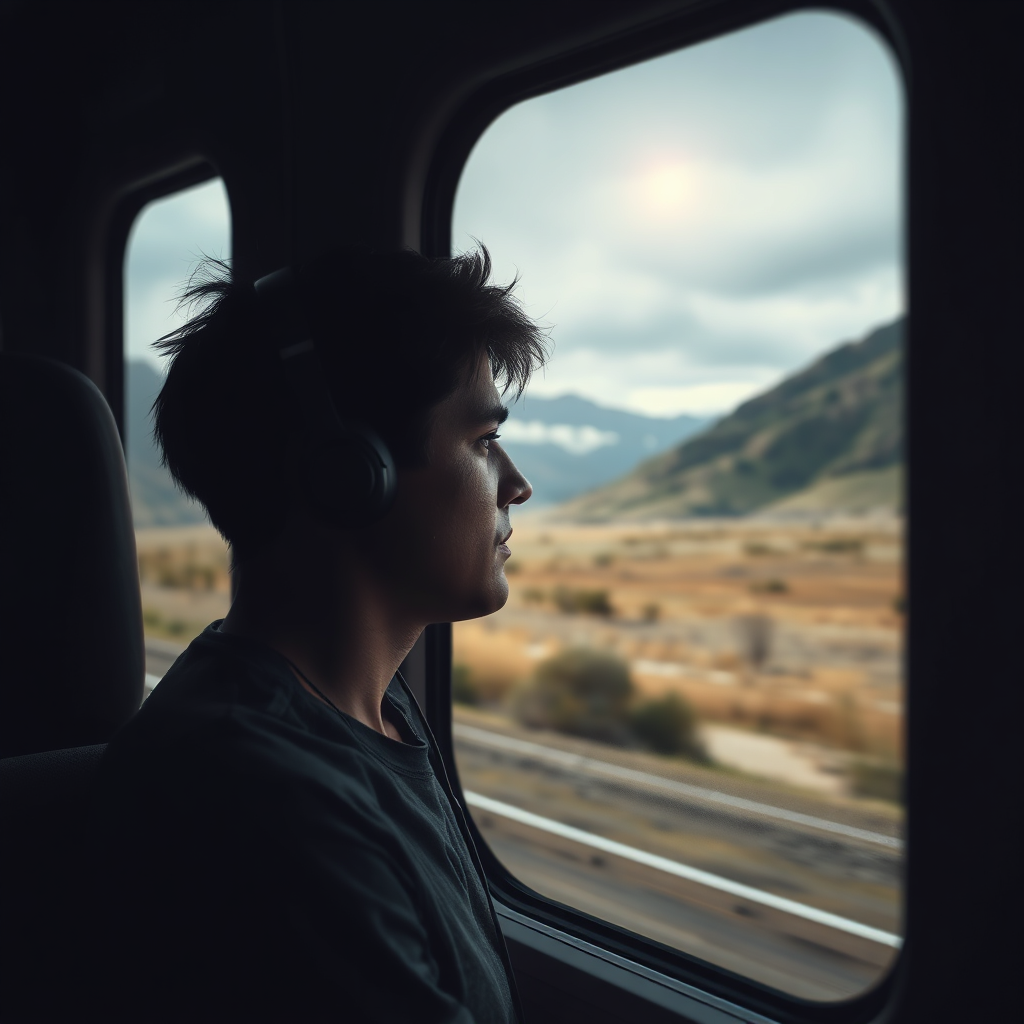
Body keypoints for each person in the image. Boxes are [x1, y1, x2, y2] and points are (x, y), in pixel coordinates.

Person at [84, 247, 547, 1022]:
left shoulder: (369, 711)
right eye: (479, 441)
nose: (516, 485)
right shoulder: (256, 797)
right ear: (348, 470)